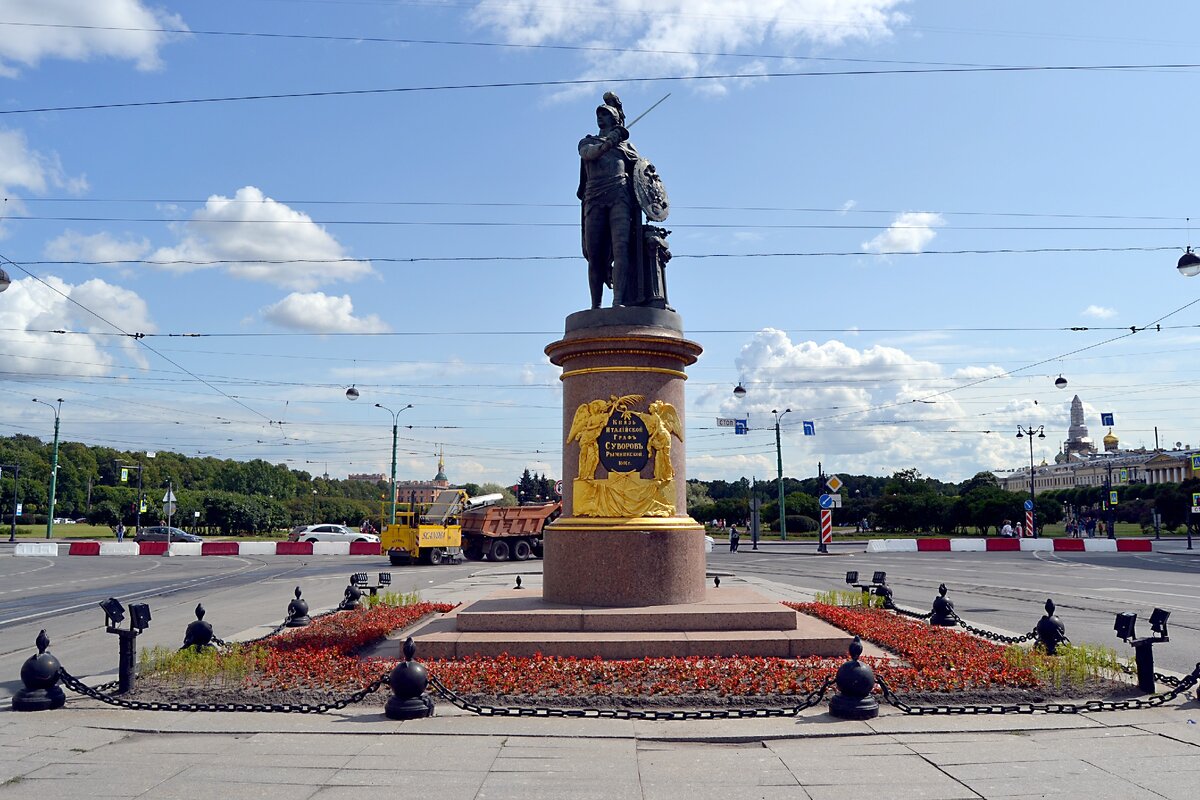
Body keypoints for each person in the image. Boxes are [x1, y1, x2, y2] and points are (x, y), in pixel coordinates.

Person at [578, 95, 642, 309]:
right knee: (594, 255)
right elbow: (590, 155)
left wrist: (619, 140)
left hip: (619, 198)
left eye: (605, 114)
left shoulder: (627, 148)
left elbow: (642, 176)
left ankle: (618, 301)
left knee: (621, 248)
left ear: (614, 118)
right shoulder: (587, 142)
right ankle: (595, 306)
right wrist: (611, 140)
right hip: (594, 199)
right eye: (598, 114)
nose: (600, 118)